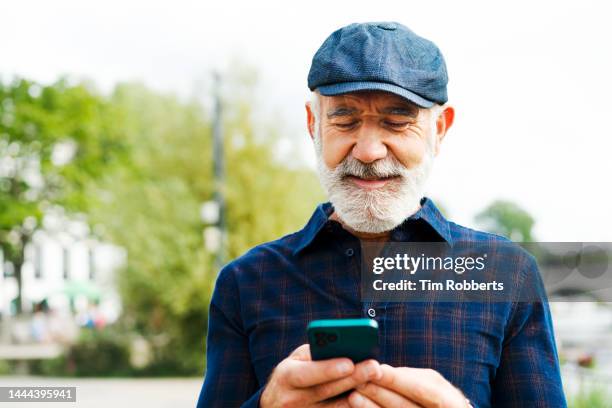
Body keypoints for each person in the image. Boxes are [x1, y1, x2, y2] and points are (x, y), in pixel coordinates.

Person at [197, 21, 566, 407]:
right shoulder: (245, 283)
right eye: (344, 119)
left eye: (397, 120)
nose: (369, 150)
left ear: (439, 129)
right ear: (314, 125)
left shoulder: (507, 274)